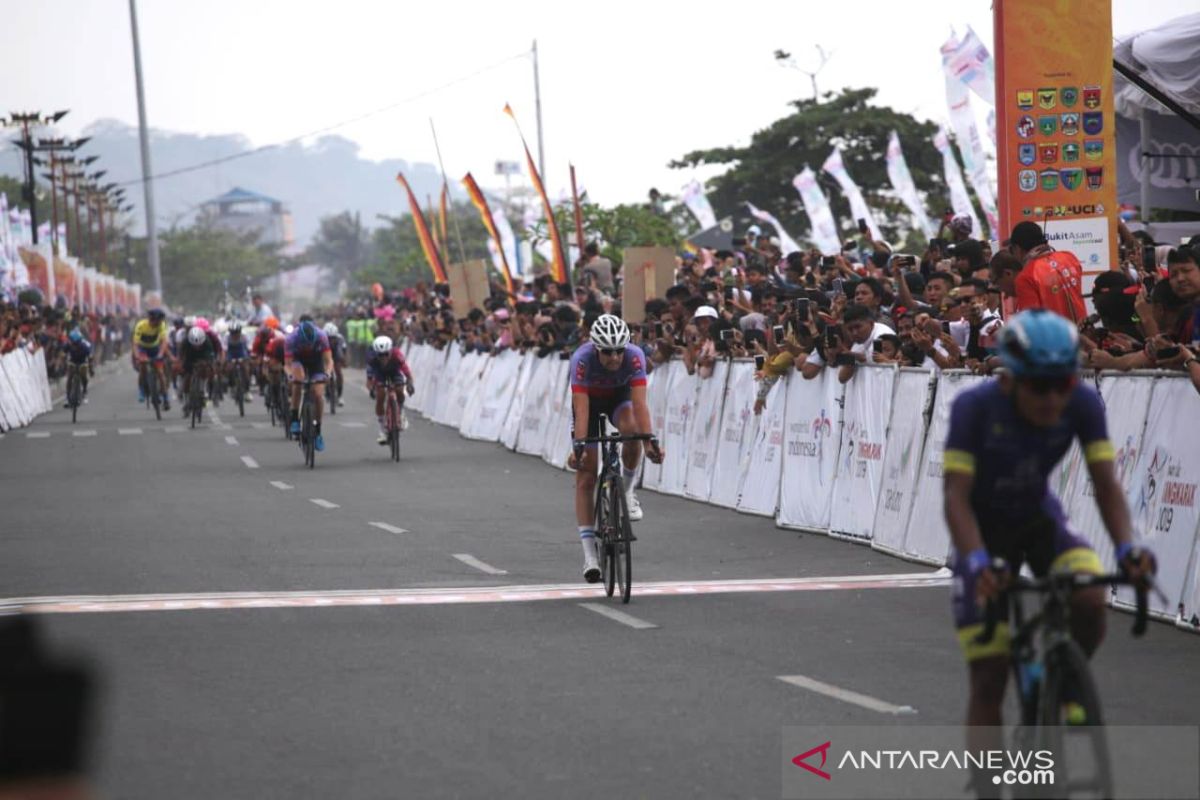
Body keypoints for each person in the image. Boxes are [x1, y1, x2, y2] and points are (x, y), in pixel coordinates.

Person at [942, 310, 1155, 795]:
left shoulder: (1082, 402)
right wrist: (976, 563)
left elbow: (1105, 485)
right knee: (990, 675)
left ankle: (1064, 685)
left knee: (1088, 597)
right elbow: (956, 496)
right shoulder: (974, 408)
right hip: (981, 533)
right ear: (1010, 377)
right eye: (1039, 386)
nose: (1053, 398)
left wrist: (1128, 547)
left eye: (1062, 383)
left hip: (1040, 521)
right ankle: (990, 785)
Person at [566, 314, 664, 582]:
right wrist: (580, 447)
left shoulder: (634, 357)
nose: (614, 358)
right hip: (590, 403)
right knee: (586, 476)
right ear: (596, 348)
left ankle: (629, 492)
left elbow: (640, 404)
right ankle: (590, 557)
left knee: (632, 431)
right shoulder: (582, 360)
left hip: (618, 400)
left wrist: (649, 440)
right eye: (607, 352)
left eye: (619, 350)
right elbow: (582, 409)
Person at [1007, 221, 1086, 322]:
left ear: (1017, 249)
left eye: (1011, 250)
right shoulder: (1069, 257)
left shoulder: (1026, 277)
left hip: (1056, 336)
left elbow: (1033, 324)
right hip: (1085, 333)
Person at [285, 316, 333, 451]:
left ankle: (318, 431)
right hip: (298, 360)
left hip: (316, 361)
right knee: (298, 381)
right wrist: (290, 375)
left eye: (310, 344)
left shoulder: (321, 336)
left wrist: (328, 374)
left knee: (318, 394)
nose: (308, 347)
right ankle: (294, 418)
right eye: (306, 344)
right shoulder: (291, 339)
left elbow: (329, 360)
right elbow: (288, 364)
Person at [365, 335, 415, 444]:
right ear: (376, 353)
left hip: (394, 372)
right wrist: (372, 389)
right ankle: (382, 428)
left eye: (386, 354)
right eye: (380, 355)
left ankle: (400, 412)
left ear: (390, 351)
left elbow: (407, 371)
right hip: (379, 374)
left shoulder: (397, 354)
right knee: (380, 396)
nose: (383, 358)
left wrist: (410, 383)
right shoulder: (371, 358)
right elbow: (369, 379)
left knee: (399, 389)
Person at [131, 308, 171, 410]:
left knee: (161, 373)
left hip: (154, 348)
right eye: (157, 321)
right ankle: (141, 390)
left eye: (160, 321)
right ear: (151, 319)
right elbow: (135, 344)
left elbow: (164, 341)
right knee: (143, 367)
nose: (159, 324)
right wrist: (137, 357)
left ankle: (165, 397)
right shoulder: (141, 325)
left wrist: (161, 354)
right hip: (142, 348)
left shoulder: (161, 325)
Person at [179, 325, 219, 413]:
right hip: (190, 356)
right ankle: (186, 400)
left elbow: (211, 356)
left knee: (206, 369)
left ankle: (203, 389)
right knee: (187, 377)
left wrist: (210, 364)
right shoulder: (185, 342)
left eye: (199, 345)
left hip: (203, 356)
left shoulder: (207, 341)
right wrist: (181, 364)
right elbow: (181, 354)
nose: (197, 347)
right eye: (194, 345)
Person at [61, 328, 94, 406]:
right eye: (73, 344)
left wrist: (91, 369)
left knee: (84, 375)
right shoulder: (68, 344)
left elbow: (90, 358)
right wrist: (63, 365)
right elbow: (63, 355)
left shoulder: (85, 346)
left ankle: (84, 390)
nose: (75, 346)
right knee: (69, 378)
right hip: (72, 361)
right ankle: (68, 396)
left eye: (77, 344)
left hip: (83, 362)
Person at [224, 321, 252, 400]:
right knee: (229, 368)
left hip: (241, 351)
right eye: (233, 333)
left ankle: (247, 391)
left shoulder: (244, 335)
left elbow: (249, 347)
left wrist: (248, 358)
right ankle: (232, 386)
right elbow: (225, 349)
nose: (235, 335)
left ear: (240, 332)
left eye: (237, 333)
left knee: (246, 369)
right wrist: (226, 360)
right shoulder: (227, 337)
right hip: (231, 352)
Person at [323, 321, 347, 407]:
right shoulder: (321, 339)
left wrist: (344, 361)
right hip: (325, 354)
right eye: (329, 338)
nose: (331, 340)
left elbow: (343, 352)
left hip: (336, 354)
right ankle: (327, 391)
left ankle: (340, 395)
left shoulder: (340, 339)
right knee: (325, 372)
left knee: (339, 372)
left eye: (333, 338)